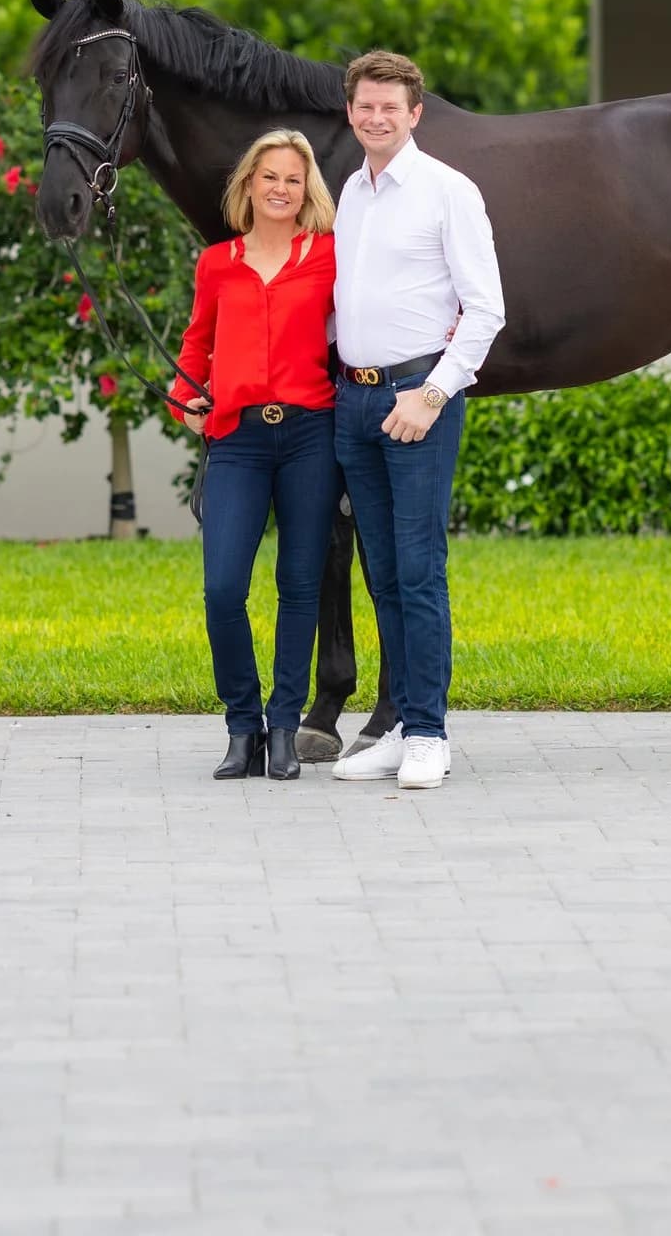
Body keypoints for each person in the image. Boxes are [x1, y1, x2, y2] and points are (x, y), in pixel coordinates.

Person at [328, 50, 504, 791]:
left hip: (416, 402)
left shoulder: (447, 191)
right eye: (365, 106)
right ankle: (401, 727)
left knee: (419, 571)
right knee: (384, 577)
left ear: (415, 114)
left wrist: (430, 396)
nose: (376, 118)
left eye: (390, 108)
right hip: (357, 399)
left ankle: (430, 732)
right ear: (351, 111)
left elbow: (487, 309)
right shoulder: (352, 191)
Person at [168, 129, 343, 782]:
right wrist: (182, 397)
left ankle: (284, 730)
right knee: (222, 589)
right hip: (236, 439)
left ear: (307, 191)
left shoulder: (329, 257)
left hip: (310, 438)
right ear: (248, 185)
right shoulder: (217, 263)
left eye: (293, 179)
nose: (280, 188)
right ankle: (242, 725)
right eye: (268, 176)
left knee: (300, 586)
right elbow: (195, 347)